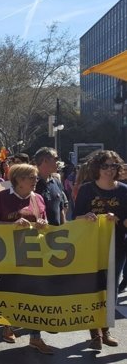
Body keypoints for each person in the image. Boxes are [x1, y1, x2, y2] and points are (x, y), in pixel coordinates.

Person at [0, 163, 53, 355]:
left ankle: (35, 337)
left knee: (35, 295)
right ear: (19, 180)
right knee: (10, 292)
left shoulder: (38, 198)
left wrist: (43, 224)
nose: (35, 181)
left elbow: (45, 224)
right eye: (31, 177)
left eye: (35, 178)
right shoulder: (1, 197)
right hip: (7, 255)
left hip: (33, 255)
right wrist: (11, 224)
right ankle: (7, 325)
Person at [73, 150, 125, 350]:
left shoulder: (123, 191)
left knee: (111, 290)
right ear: (97, 168)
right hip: (90, 247)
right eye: (105, 166)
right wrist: (86, 217)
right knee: (93, 288)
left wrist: (118, 220)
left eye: (113, 166)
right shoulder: (87, 190)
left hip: (117, 246)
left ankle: (106, 330)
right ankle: (94, 332)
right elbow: (75, 218)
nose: (109, 170)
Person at [33, 147, 67, 226]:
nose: (58, 162)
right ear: (45, 161)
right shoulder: (31, 182)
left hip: (55, 236)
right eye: (56, 159)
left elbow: (61, 209)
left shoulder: (56, 182)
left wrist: (64, 229)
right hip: (36, 235)